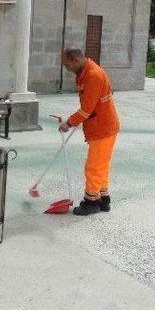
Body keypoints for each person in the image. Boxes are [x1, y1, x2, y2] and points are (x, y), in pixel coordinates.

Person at [58, 49, 120, 216]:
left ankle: (91, 202)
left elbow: (86, 110)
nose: (67, 68)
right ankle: (103, 199)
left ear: (76, 59)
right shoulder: (88, 72)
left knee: (93, 166)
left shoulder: (93, 75)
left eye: (67, 64)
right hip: (103, 126)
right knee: (101, 165)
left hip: (103, 128)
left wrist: (68, 123)